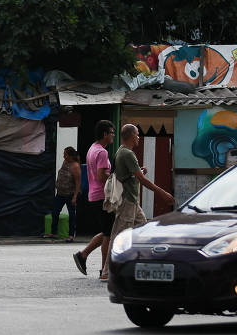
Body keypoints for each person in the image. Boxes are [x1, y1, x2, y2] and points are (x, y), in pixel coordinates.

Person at [99, 123, 175, 280]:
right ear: (131, 136)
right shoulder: (127, 154)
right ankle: (107, 271)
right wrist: (162, 193)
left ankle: (143, 264)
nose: (139, 137)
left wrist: (140, 171)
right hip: (128, 201)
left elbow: (131, 175)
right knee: (118, 235)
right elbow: (142, 180)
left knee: (145, 231)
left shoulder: (122, 152)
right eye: (137, 134)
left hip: (132, 201)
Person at [73, 120, 115, 277]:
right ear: (105, 134)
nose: (113, 136)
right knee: (109, 234)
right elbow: (101, 175)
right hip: (102, 196)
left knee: (107, 231)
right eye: (111, 133)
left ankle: (83, 255)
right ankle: (104, 270)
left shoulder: (93, 148)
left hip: (94, 195)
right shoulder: (102, 152)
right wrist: (118, 180)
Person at [45, 147, 81, 242]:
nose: (64, 156)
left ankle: (71, 235)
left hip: (70, 194)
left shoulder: (75, 166)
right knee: (55, 211)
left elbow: (78, 183)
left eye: (65, 154)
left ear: (70, 156)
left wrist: (75, 196)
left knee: (71, 214)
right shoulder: (65, 162)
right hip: (60, 193)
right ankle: (53, 232)